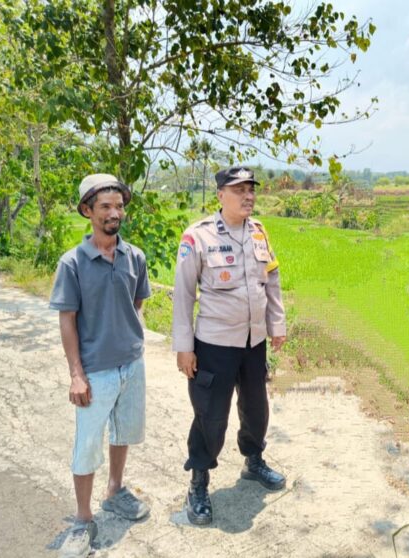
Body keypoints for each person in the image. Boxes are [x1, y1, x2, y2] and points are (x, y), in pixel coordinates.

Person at [172, 166, 287, 525]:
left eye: (251, 189)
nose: (248, 195)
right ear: (221, 195)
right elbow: (183, 294)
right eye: (239, 190)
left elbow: (272, 280)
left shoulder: (259, 232)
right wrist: (184, 346)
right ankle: (199, 482)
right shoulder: (198, 236)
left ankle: (253, 461)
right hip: (214, 344)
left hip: (254, 342)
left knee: (256, 408)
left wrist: (277, 324)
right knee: (211, 415)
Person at [50, 174, 152, 558]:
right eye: (105, 206)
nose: (115, 213)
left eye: (119, 206)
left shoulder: (134, 256)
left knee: (123, 432)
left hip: (131, 365)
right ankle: (82, 519)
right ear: (87, 211)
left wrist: (130, 341)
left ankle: (115, 490)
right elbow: (67, 320)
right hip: (95, 371)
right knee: (87, 445)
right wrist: (77, 373)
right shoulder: (73, 263)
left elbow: (137, 304)